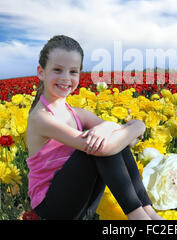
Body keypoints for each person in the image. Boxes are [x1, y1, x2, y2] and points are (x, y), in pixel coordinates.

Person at [26, 35, 164, 220]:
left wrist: (108, 127)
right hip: (51, 209)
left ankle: (148, 212)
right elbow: (108, 147)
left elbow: (126, 142)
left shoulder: (76, 113)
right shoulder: (41, 118)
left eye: (73, 71)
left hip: (81, 203)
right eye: (58, 70)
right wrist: (138, 126)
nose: (66, 78)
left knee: (108, 140)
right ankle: (138, 216)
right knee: (96, 146)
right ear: (41, 72)